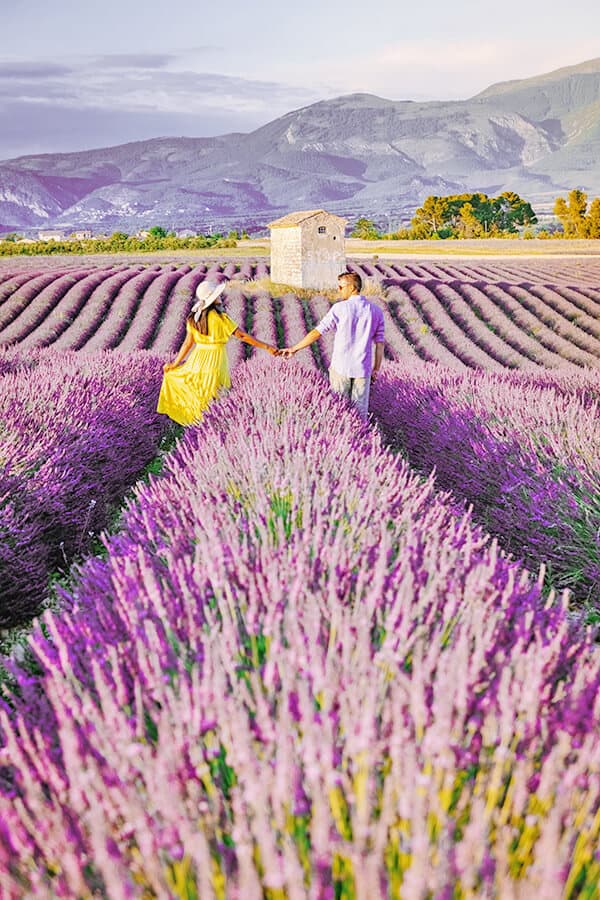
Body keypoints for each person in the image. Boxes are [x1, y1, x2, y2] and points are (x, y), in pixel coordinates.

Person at [157, 279, 277, 425]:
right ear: (213, 299)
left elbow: (188, 344)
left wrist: (174, 364)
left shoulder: (194, 318)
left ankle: (195, 425)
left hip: (197, 359)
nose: (220, 297)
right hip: (215, 360)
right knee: (214, 394)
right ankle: (209, 427)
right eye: (218, 295)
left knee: (198, 392)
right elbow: (242, 336)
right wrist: (267, 347)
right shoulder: (221, 318)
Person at [280, 271, 385, 418]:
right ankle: (360, 439)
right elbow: (380, 344)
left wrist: (294, 349)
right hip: (362, 369)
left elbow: (317, 332)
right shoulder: (376, 311)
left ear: (352, 287)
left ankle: (342, 438)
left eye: (341, 287)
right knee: (360, 414)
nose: (339, 290)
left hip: (341, 366)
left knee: (339, 411)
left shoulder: (340, 308)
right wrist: (376, 369)